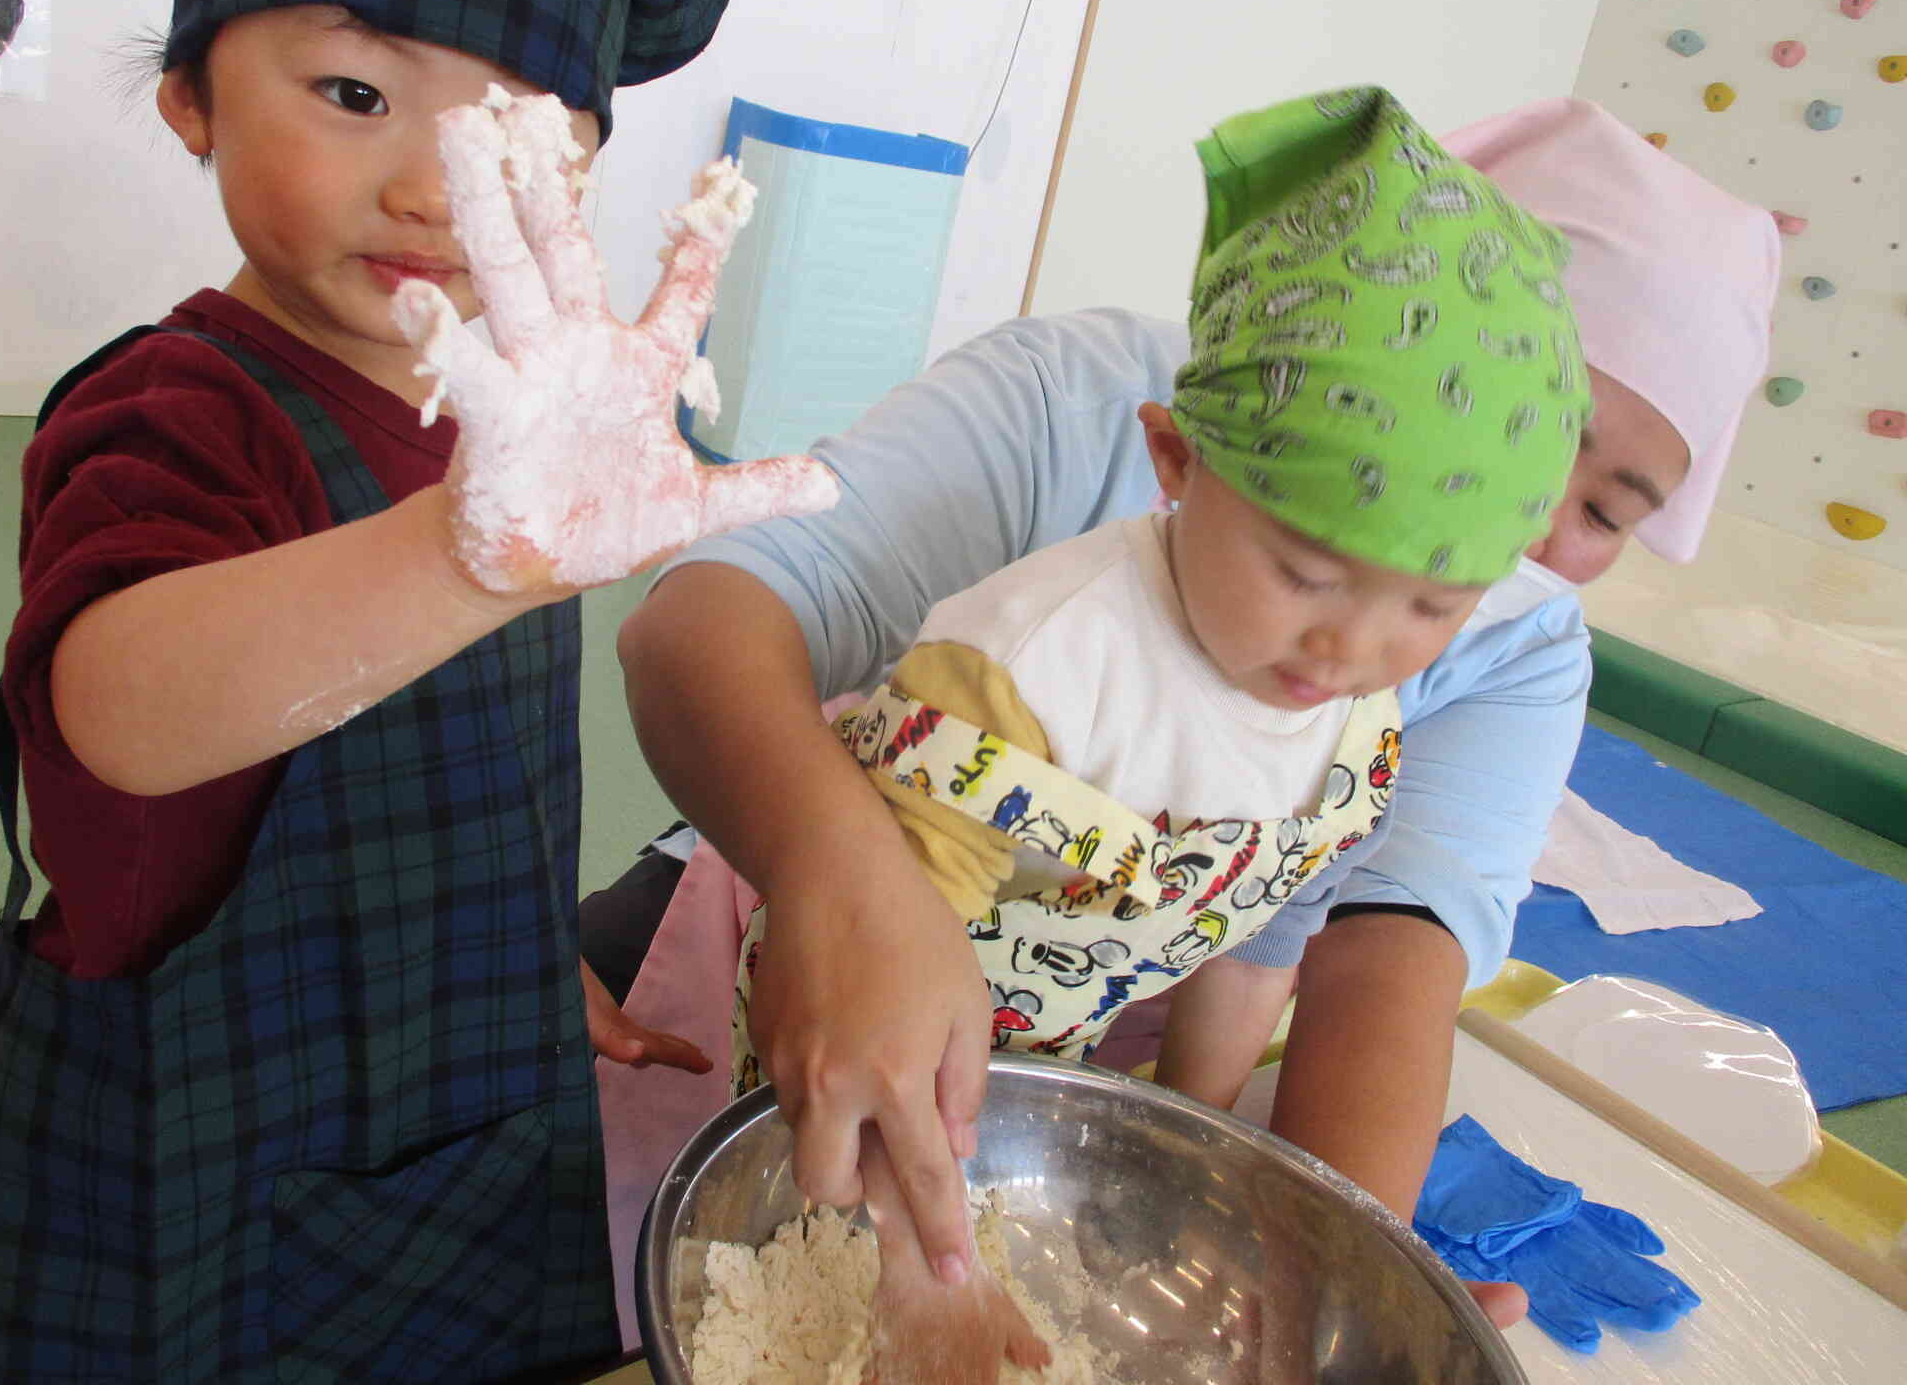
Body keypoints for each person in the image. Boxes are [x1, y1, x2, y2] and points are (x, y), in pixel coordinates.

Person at [0, 0, 838, 1380]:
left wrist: (523, 959)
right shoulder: (178, 412)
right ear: (192, 96)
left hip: (443, 1112)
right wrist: (465, 557)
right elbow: (115, 713)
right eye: (352, 94)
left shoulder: (508, 435)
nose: (432, 185)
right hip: (167, 1172)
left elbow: (474, 777)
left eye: (515, 132)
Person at [599, 95, 1778, 1338]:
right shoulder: (1059, 571)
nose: (1524, 539)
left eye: (1598, 511)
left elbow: (1354, 943)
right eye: (1310, 571)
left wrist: (1315, 1264)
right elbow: (700, 626)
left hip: (1065, 1051)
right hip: (802, 916)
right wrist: (848, 886)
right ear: (1177, 463)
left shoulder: (1439, 648)